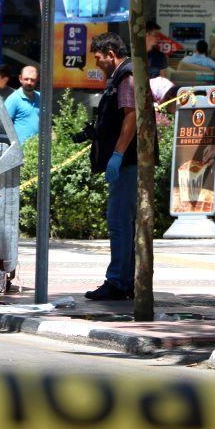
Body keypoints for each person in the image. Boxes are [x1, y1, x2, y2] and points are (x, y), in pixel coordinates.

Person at [83, 32, 139, 301]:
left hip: (128, 162)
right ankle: (125, 280)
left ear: (111, 53)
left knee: (119, 222)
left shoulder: (126, 76)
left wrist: (117, 155)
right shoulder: (117, 77)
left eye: (98, 58)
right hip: (123, 161)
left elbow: (132, 116)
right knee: (122, 222)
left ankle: (118, 281)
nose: (97, 64)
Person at [4, 65, 40, 144]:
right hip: (21, 150)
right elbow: (4, 124)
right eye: (26, 79)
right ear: (20, 79)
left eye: (32, 79)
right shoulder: (14, 99)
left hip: (37, 149)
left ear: (37, 79)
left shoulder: (41, 98)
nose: (29, 82)